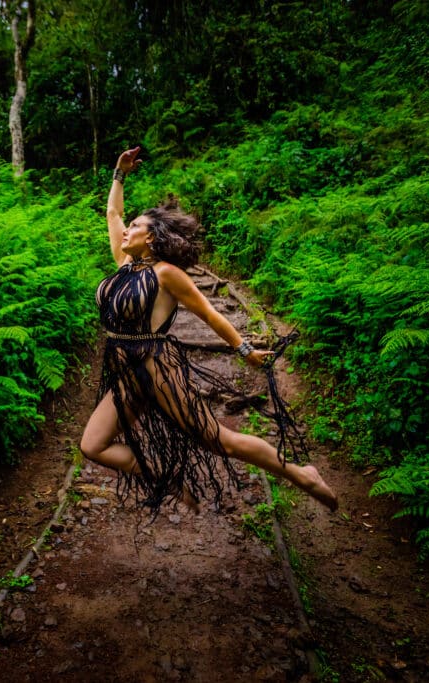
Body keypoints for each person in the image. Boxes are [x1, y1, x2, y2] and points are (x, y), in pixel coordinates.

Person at [79, 146, 338, 515]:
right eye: (130, 224)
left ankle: (302, 474)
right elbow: (112, 212)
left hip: (157, 368)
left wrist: (245, 350)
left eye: (136, 226)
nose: (127, 229)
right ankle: (166, 477)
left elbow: (210, 315)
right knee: (93, 445)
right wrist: (119, 174)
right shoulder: (124, 264)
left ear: (151, 239)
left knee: (220, 441)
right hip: (125, 372)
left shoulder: (167, 274)